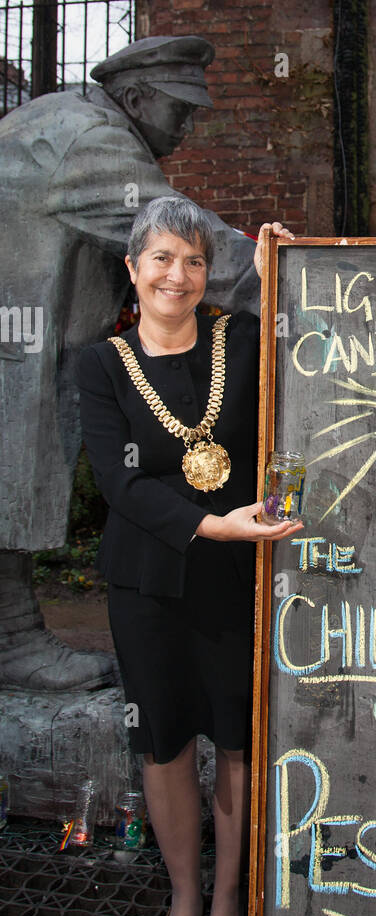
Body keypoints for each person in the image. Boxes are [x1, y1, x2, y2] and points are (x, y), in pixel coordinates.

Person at [75, 196, 299, 916]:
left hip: (237, 575)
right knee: (164, 742)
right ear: (133, 270)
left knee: (237, 739)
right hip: (147, 581)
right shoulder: (98, 363)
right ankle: (182, 899)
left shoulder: (242, 341)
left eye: (195, 260)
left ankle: (229, 902)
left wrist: (281, 275)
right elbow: (120, 486)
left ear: (210, 273)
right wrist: (211, 525)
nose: (179, 274)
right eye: (162, 258)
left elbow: (315, 342)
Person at [0, 36, 260, 692]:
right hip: (17, 337)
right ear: (138, 98)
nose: (191, 122)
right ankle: (10, 638)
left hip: (21, 327)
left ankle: (10, 633)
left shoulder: (67, 118)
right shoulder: (92, 143)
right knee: (12, 473)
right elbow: (177, 242)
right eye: (182, 108)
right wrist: (303, 281)